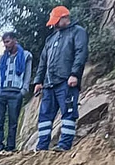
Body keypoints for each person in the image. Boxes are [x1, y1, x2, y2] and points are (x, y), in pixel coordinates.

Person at [33, 6, 89, 152]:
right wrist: (39, 81)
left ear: (65, 18)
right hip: (49, 84)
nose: (54, 25)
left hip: (66, 81)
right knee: (45, 116)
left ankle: (64, 145)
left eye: (57, 21)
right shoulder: (51, 38)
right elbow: (43, 61)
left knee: (68, 112)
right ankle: (42, 146)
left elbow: (80, 54)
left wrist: (74, 74)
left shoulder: (78, 32)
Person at [0, 32, 33, 153]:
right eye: (4, 42)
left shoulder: (25, 56)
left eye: (8, 41)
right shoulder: (1, 59)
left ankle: (10, 146)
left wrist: (23, 90)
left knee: (13, 121)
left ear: (15, 40)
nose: (6, 44)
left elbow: (27, 75)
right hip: (1, 91)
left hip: (16, 92)